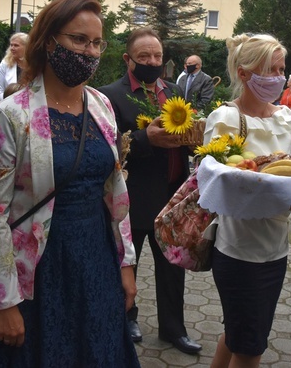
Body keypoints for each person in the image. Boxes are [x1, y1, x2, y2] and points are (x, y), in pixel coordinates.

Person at [0, 0, 139, 367]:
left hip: (95, 261)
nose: (89, 52)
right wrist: (4, 301)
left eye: (96, 43)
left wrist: (126, 264)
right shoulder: (12, 116)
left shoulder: (101, 105)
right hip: (36, 271)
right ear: (49, 42)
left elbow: (115, 191)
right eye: (79, 40)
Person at [99, 28, 202, 355]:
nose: (152, 62)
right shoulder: (108, 96)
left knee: (173, 270)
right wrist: (145, 140)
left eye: (157, 57)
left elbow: (184, 138)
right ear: (128, 59)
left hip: (172, 200)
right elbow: (105, 148)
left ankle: (174, 329)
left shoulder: (173, 92)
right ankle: (126, 318)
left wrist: (198, 145)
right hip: (131, 200)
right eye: (144, 57)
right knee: (125, 263)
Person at [205, 34, 291, 368]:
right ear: (245, 73)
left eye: (281, 69)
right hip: (239, 250)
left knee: (237, 336)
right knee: (250, 348)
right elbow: (213, 183)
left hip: (276, 249)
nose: (278, 77)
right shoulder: (225, 120)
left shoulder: (287, 120)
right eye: (270, 70)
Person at [0, 32, 28, 104]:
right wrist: (9, 103)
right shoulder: (5, 63)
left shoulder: (34, 64)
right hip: (8, 107)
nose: (12, 48)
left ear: (26, 47)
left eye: (16, 45)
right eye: (11, 45)